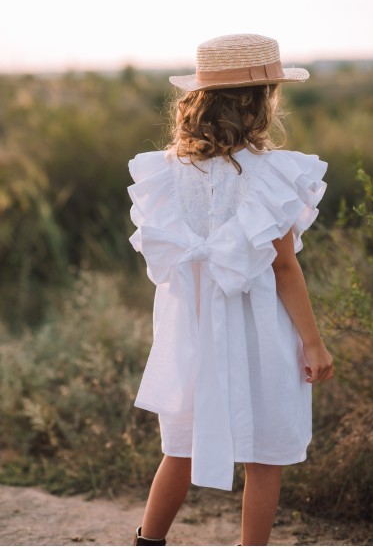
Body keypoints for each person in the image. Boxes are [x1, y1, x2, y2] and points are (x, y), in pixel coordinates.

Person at [127, 33, 334, 546]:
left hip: (192, 328)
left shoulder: (166, 173)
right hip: (259, 329)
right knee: (265, 455)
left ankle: (147, 541)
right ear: (260, 102)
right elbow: (284, 269)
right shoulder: (271, 175)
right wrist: (313, 342)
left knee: (180, 446)